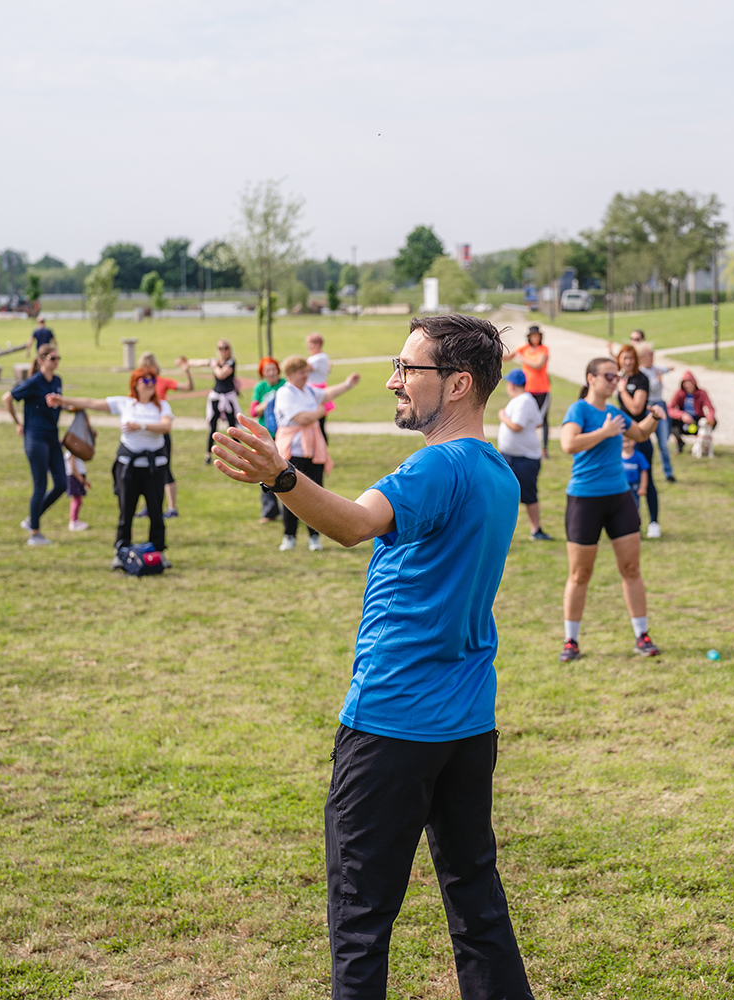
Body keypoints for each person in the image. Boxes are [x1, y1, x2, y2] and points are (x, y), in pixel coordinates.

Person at [209, 313, 534, 999]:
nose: (394, 380)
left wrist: (281, 476)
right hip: (467, 725)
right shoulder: (498, 472)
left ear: (458, 384)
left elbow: (355, 524)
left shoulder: (436, 466)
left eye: (408, 368)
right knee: (476, 902)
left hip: (392, 724)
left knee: (360, 921)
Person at [560, 356, 666, 662]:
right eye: (608, 376)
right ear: (591, 378)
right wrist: (604, 433)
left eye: (616, 376)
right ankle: (571, 641)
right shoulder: (579, 410)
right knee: (580, 573)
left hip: (619, 498)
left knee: (631, 569)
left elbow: (640, 433)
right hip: (585, 499)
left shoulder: (615, 413)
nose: (614, 381)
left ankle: (642, 635)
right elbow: (568, 444)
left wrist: (654, 417)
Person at [57, 371, 176, 561]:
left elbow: (165, 426)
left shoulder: (162, 405)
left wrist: (140, 426)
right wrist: (62, 400)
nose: (150, 383)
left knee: (155, 511)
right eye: (145, 380)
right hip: (128, 468)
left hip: (154, 468)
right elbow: (90, 402)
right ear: (135, 384)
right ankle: (121, 551)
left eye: (153, 380)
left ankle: (158, 552)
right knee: (126, 510)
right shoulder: (125, 403)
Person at [273, 355, 361, 551]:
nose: (306, 375)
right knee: (290, 493)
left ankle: (314, 537)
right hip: (293, 450)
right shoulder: (285, 393)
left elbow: (326, 394)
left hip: (313, 449)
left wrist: (347, 384)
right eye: (301, 372)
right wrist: (320, 412)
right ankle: (289, 536)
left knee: (316, 494)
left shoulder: (307, 390)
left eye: (306, 371)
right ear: (290, 374)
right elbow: (303, 418)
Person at [4, 344, 66, 546]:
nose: (56, 362)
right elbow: (7, 398)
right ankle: (35, 533)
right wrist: (18, 423)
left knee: (62, 484)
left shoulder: (57, 381)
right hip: (36, 437)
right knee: (41, 485)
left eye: (58, 358)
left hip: (52, 437)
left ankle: (32, 518)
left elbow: (58, 405)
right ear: (41, 360)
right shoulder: (33, 382)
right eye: (52, 358)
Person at [135, 351, 194, 517]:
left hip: (161, 433)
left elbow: (188, 387)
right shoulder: (139, 385)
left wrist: (186, 371)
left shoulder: (162, 381)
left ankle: (172, 508)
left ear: (155, 367)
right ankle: (150, 506)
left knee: (165, 470)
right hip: (146, 434)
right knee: (147, 471)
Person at [497, 368, 551, 540]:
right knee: (504, 494)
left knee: (528, 495)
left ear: (512, 385)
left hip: (524, 459)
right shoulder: (522, 400)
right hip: (512, 456)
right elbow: (538, 423)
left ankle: (536, 530)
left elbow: (517, 426)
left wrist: (502, 416)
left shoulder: (524, 401)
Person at [615, 345, 661, 538]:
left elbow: (636, 408)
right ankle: (627, 523)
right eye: (624, 358)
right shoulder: (620, 378)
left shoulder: (641, 379)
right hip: (622, 438)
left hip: (640, 437)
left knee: (646, 480)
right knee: (622, 480)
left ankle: (654, 522)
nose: (627, 362)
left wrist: (622, 391)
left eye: (631, 358)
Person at [186, 339, 239, 463]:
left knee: (232, 428)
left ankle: (240, 453)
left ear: (229, 349)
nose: (223, 351)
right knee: (212, 426)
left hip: (228, 398)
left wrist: (214, 365)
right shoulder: (215, 361)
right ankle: (208, 454)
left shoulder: (231, 362)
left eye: (225, 348)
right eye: (220, 348)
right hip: (216, 397)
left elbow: (221, 374)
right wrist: (187, 363)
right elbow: (200, 362)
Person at [250, 356, 285, 523]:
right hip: (266, 435)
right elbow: (253, 411)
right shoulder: (260, 387)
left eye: (273, 369)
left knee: (285, 471)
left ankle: (290, 511)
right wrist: (268, 403)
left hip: (283, 434)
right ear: (262, 373)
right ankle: (269, 511)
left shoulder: (284, 385)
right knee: (266, 472)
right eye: (267, 371)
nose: (271, 373)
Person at [506, 325, 552, 454]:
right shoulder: (524, 348)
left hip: (542, 389)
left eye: (537, 336)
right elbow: (509, 356)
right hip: (528, 390)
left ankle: (544, 448)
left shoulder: (544, 349)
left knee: (542, 419)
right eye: (533, 336)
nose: (535, 338)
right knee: (525, 417)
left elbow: (538, 365)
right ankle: (525, 444)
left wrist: (523, 358)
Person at [637, 344, 676, 483]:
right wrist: (658, 380)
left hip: (660, 405)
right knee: (643, 441)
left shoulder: (655, 369)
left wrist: (669, 368)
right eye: (650, 354)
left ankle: (668, 473)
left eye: (653, 353)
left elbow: (663, 369)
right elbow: (651, 388)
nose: (652, 356)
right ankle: (642, 473)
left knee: (663, 443)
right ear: (642, 357)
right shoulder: (641, 373)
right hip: (649, 406)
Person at [668, 371, 716, 452]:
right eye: (685, 383)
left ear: (694, 383)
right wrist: (682, 415)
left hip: (697, 419)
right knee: (670, 421)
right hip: (684, 421)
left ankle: (703, 442)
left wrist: (710, 418)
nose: (688, 385)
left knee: (713, 421)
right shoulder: (679, 393)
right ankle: (679, 442)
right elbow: (669, 408)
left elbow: (710, 408)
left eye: (689, 383)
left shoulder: (701, 393)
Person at [306, 332, 334, 441]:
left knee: (319, 424)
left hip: (316, 392)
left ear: (318, 344)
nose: (309, 346)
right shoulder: (321, 357)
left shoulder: (318, 358)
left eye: (311, 343)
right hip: (314, 390)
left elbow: (304, 368)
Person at [621, 436, 650, 512]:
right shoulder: (618, 456)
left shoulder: (639, 456)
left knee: (634, 506)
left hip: (634, 487)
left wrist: (643, 487)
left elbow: (644, 472)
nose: (626, 444)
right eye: (624, 441)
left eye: (629, 441)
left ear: (634, 441)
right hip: (622, 487)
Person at [65, 447, 90, 531]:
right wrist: (81, 479)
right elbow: (73, 467)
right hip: (75, 477)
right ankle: (74, 522)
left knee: (77, 499)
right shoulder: (72, 450)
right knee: (77, 499)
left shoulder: (75, 449)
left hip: (77, 476)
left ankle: (75, 520)